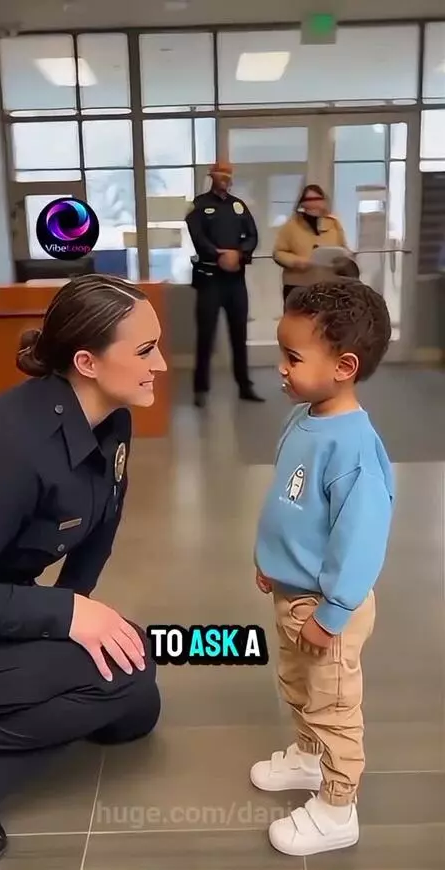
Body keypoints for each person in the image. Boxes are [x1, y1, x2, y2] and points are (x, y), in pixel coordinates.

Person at [0, 274, 167, 866]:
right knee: (121, 678)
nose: (160, 363)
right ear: (86, 360)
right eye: (144, 350)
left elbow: (98, 532)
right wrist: (64, 614)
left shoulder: (112, 418)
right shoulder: (8, 446)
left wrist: (73, 620)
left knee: (133, 706)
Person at [250, 279, 394, 857]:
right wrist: (271, 564)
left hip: (327, 606)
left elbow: (360, 539)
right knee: (297, 686)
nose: (280, 368)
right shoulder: (305, 418)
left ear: (345, 365)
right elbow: (292, 506)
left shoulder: (354, 447)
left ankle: (337, 807)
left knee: (333, 706)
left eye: (293, 357)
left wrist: (333, 612)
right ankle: (309, 759)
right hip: (292, 593)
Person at [185, 160, 264, 408]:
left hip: (235, 282)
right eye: (219, 174)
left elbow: (253, 235)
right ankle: (200, 389)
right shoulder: (199, 205)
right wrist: (218, 254)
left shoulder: (238, 206)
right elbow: (196, 235)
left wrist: (239, 254)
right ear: (212, 176)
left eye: (228, 175)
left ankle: (244, 386)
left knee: (239, 335)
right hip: (210, 280)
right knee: (206, 337)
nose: (224, 179)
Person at [273, 184, 349, 311]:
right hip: (298, 286)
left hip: (328, 286)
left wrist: (343, 258)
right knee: (298, 326)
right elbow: (278, 253)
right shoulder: (291, 226)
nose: (313, 204)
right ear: (302, 203)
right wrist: (295, 261)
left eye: (317, 199)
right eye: (309, 200)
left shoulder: (334, 224)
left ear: (324, 201)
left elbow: (344, 248)